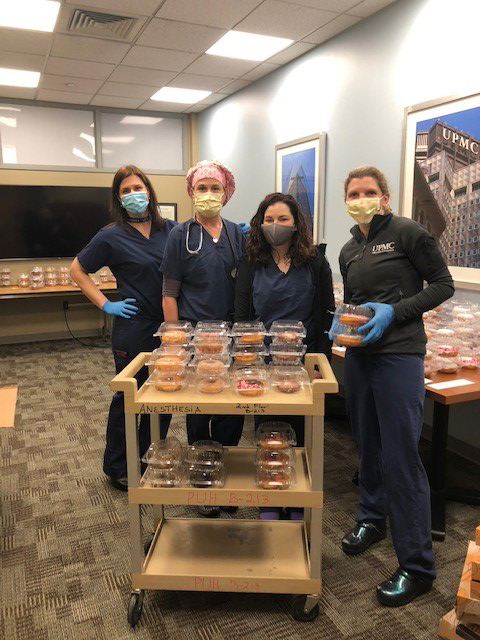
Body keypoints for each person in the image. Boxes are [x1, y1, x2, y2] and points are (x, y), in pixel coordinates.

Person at [332, 165, 454, 606]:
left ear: (384, 195)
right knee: (366, 444)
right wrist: (340, 316)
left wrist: (396, 311)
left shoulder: (408, 233)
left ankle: (418, 567)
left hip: (399, 355)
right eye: (353, 192)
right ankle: (372, 516)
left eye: (369, 191)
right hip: (360, 357)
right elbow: (353, 301)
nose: (361, 198)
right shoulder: (348, 248)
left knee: (402, 457)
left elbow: (443, 285)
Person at [70, 165, 176, 492]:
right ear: (118, 197)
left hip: (169, 329)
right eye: (126, 190)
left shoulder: (171, 230)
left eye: (137, 187)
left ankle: (148, 458)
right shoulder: (110, 235)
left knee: (163, 399)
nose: (133, 195)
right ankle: (117, 465)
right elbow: (77, 270)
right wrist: (106, 304)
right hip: (132, 328)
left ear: (149, 191)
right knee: (128, 399)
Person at [235, 192, 335, 520]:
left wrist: (321, 363)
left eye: (283, 219)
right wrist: (245, 359)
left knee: (302, 434)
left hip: (303, 363)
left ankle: (296, 501)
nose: (275, 225)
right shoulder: (252, 262)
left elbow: (324, 314)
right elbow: (243, 315)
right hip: (263, 362)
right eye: (268, 220)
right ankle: (270, 497)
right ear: (259, 224)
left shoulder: (316, 262)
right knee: (269, 431)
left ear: (296, 224)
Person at [161, 160, 245, 517]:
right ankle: (202, 475)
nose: (209, 195)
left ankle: (222, 469)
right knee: (200, 407)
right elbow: (169, 292)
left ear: (227, 192)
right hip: (195, 335)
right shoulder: (181, 235)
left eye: (215, 188)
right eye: (202, 188)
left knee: (231, 407)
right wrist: (176, 340)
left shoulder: (236, 234)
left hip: (231, 334)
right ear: (191, 192)